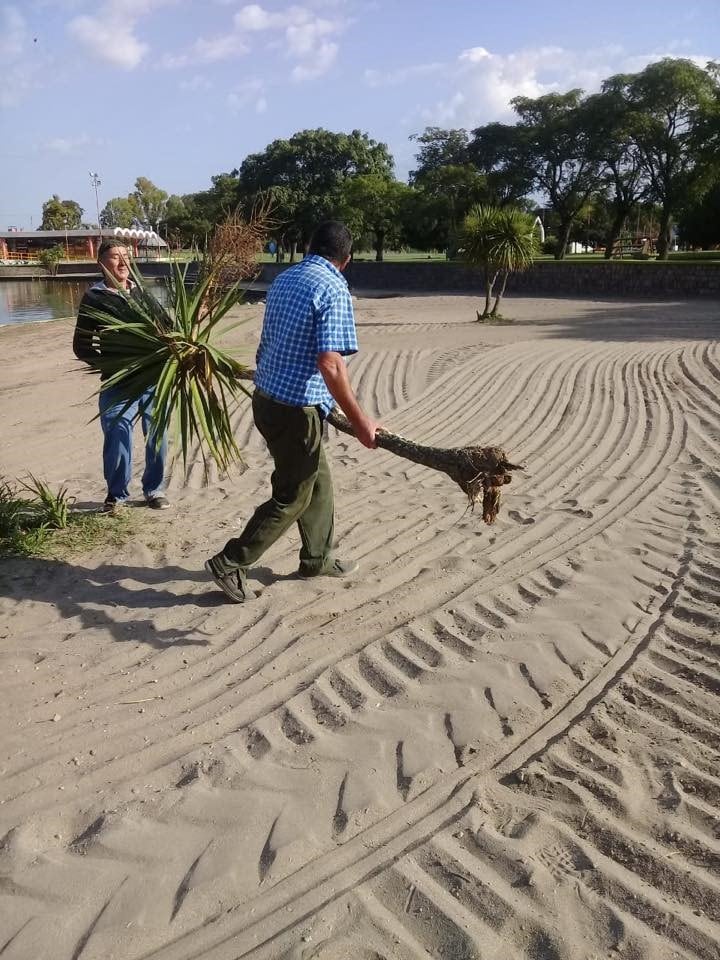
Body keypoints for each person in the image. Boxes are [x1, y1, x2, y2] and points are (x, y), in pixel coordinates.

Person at [205, 221, 378, 603]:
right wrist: (361, 421)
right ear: (345, 260)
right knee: (292, 496)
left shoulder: (286, 278)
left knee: (319, 483)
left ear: (308, 245)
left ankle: (317, 558)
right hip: (295, 410)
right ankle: (231, 561)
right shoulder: (333, 286)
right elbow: (331, 364)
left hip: (267, 398)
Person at [72, 238, 169, 513]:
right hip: (117, 382)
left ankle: (154, 490)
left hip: (152, 378)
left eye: (126, 256)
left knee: (158, 437)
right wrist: (112, 363)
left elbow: (167, 328)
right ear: (102, 263)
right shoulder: (95, 297)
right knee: (117, 436)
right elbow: (81, 345)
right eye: (115, 256)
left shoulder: (141, 293)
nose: (123, 261)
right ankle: (117, 494)